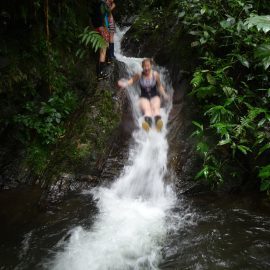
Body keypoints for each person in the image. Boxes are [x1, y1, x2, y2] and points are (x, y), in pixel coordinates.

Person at [118, 58, 170, 132]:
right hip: (144, 97)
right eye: (145, 66)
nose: (146, 68)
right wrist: (124, 84)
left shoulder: (155, 74)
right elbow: (131, 81)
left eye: (148, 66)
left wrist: (164, 94)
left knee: (156, 110)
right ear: (142, 67)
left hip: (154, 96)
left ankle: (158, 124)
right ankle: (147, 125)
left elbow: (159, 86)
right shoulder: (139, 74)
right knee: (147, 111)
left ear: (151, 66)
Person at [90, 0, 110, 80]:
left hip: (95, 28)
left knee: (102, 48)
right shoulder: (102, 4)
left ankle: (100, 72)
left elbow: (91, 18)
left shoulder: (92, 4)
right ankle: (100, 73)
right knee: (103, 49)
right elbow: (105, 16)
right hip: (101, 28)